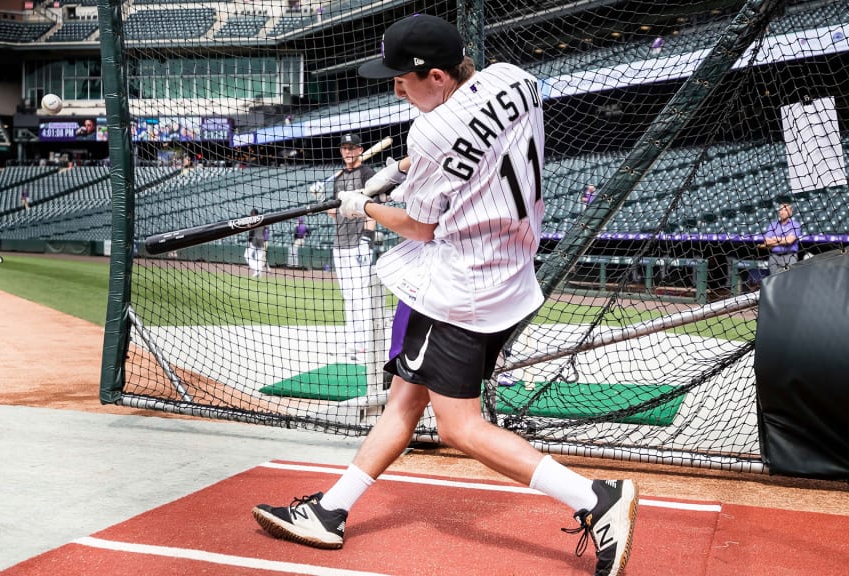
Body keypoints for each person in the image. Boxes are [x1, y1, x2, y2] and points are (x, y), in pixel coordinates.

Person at [252, 14, 638, 576]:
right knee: (406, 397)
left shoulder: (430, 131)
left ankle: (595, 500)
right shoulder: (515, 79)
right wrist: (403, 168)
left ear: (435, 76)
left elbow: (419, 226)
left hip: (460, 289)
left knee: (458, 427)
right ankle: (331, 510)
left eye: (402, 80)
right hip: (511, 274)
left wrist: (363, 205)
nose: (396, 88)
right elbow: (476, 142)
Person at [328, 133, 377, 360]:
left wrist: (368, 237)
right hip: (340, 244)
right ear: (341, 151)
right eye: (344, 148)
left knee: (361, 296)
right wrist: (322, 200)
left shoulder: (367, 174)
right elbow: (334, 213)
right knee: (348, 296)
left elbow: (373, 207)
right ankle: (353, 342)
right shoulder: (338, 179)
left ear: (360, 150)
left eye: (352, 148)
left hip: (359, 243)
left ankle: (366, 345)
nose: (348, 152)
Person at [758, 202, 801, 275]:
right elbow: (767, 242)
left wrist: (775, 239)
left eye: (785, 210)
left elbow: (789, 241)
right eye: (781, 210)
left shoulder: (795, 225)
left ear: (790, 212)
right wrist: (783, 239)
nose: (782, 212)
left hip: (789, 257)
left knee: (788, 280)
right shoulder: (773, 225)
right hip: (774, 257)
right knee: (773, 280)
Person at [244, 209, 267, 278]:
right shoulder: (262, 220)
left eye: (252, 214)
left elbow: (251, 231)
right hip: (261, 241)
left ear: (254, 214)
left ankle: (258, 269)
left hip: (254, 241)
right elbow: (265, 231)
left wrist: (249, 240)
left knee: (246, 256)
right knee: (258, 258)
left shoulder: (254, 220)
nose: (251, 215)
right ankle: (258, 272)